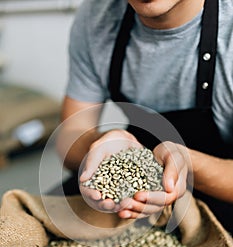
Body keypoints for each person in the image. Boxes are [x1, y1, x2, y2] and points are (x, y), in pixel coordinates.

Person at [54, 0, 233, 233]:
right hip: (130, 187)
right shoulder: (96, 16)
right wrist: (99, 148)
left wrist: (185, 165)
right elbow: (70, 132)